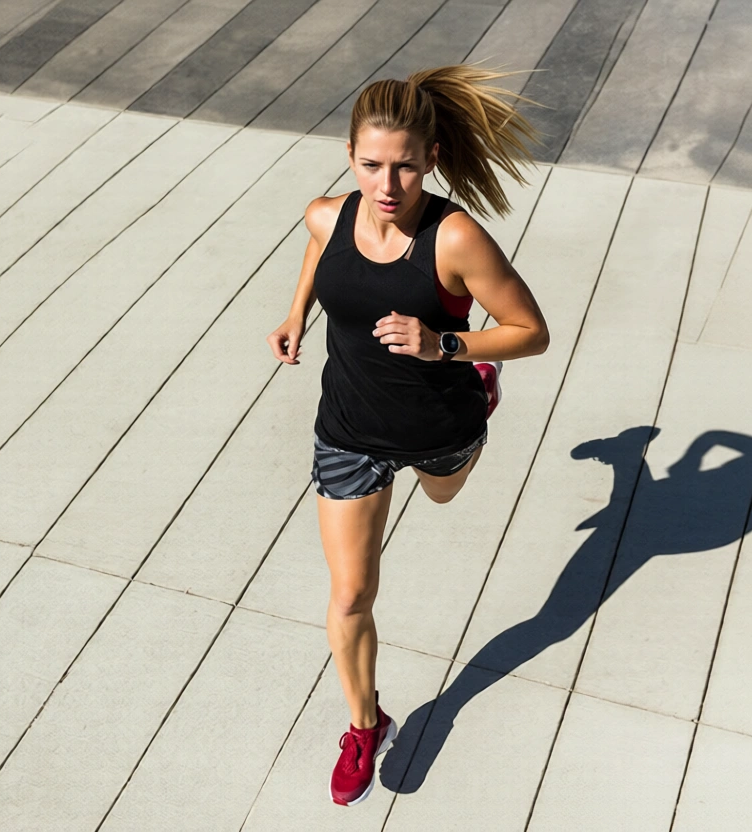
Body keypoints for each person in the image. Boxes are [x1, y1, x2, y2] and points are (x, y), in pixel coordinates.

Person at [265, 65, 550, 807]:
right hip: (350, 429)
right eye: (369, 165)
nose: (386, 185)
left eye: (403, 166)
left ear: (430, 158)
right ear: (350, 153)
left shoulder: (453, 237)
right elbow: (317, 253)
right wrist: (299, 312)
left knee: (447, 495)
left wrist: (448, 348)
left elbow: (532, 332)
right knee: (352, 592)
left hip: (438, 424)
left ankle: (479, 404)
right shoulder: (327, 215)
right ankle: (366, 724)